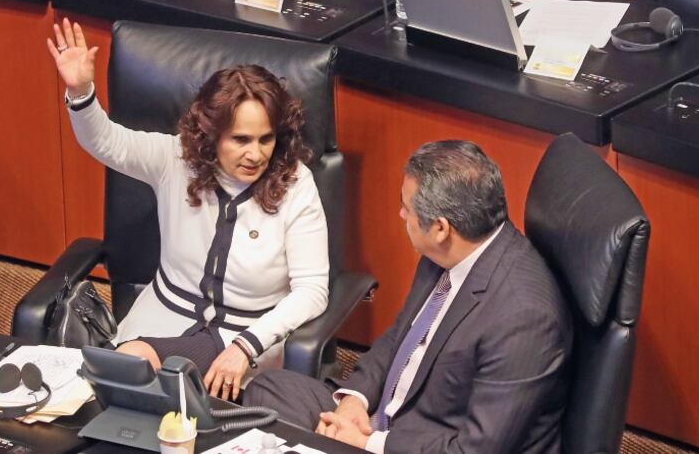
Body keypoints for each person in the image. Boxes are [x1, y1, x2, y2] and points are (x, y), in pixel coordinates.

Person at [47, 19, 329, 400]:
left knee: (129, 375)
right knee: (116, 388)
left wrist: (248, 344)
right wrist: (81, 92)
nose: (256, 154)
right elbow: (108, 143)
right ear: (212, 135)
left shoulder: (297, 184)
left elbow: (312, 291)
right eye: (241, 140)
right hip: (163, 318)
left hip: (247, 339)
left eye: (266, 139)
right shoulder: (176, 159)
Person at [244, 140, 572, 453]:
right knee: (269, 390)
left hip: (422, 445)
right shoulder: (449, 250)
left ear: (440, 228)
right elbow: (400, 337)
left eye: (406, 207)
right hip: (381, 417)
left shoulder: (524, 319)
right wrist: (355, 400)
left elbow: (476, 449)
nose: (402, 215)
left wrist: (366, 443)